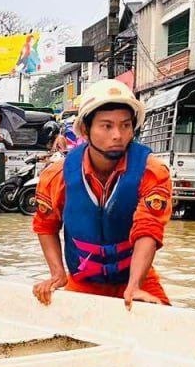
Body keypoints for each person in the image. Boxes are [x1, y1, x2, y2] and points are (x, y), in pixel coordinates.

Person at [31, 79, 172, 311]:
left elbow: (148, 229)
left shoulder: (153, 172)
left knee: (165, 329)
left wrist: (135, 285)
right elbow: (46, 226)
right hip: (83, 281)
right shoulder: (56, 176)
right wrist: (57, 273)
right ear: (85, 129)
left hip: (137, 279)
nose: (118, 135)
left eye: (126, 126)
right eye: (106, 126)